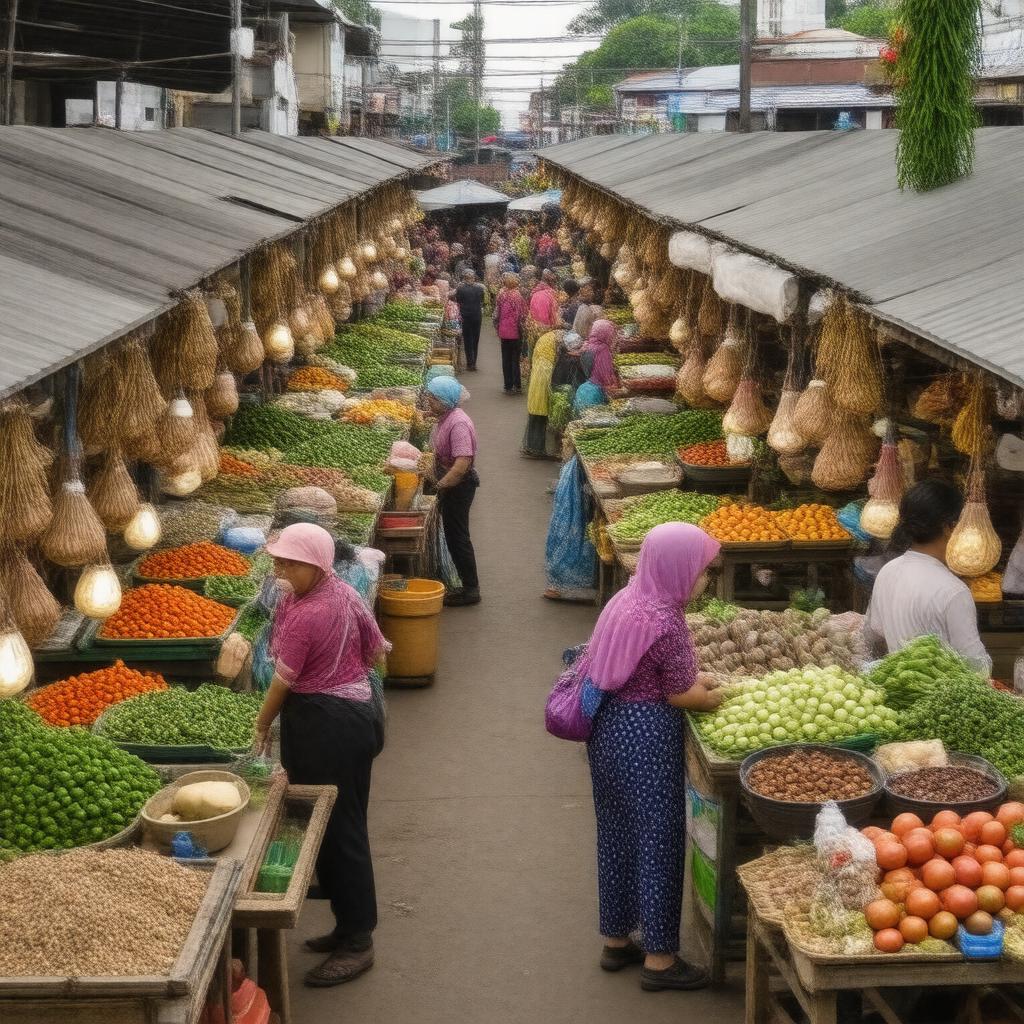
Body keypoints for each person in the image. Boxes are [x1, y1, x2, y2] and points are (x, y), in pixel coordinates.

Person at [579, 522, 723, 991]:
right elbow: (681, 694)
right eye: (701, 570)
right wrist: (716, 695)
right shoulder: (667, 619)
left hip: (607, 729)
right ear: (678, 569)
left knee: (617, 832)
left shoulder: (626, 599)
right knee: (659, 838)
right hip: (646, 735)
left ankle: (616, 940)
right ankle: (660, 959)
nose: (705, 579)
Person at [254, 523, 388, 987]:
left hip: (331, 725)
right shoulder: (334, 592)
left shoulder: (312, 612)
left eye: (291, 563)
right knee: (329, 824)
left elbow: (282, 681)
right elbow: (372, 654)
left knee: (340, 829)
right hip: (347, 713)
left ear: (317, 565)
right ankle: (346, 925)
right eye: (279, 562)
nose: (281, 571)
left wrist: (262, 724)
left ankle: (358, 941)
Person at [864, 480, 992, 674]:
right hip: (942, 692)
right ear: (949, 527)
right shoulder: (954, 591)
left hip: (897, 687)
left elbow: (874, 632)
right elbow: (976, 667)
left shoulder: (888, 571)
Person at [425, 376, 480, 606]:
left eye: (433, 399)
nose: (429, 402)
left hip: (459, 486)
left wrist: (439, 486)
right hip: (453, 484)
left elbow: (461, 464)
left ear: (444, 400)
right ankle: (467, 585)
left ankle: (471, 589)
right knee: (453, 535)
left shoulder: (458, 424)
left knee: (458, 537)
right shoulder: (447, 416)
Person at [521, 328, 560, 458]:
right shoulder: (555, 344)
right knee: (542, 417)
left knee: (535, 415)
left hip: (536, 380)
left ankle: (531, 447)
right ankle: (539, 449)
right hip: (545, 382)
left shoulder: (544, 339)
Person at [573, 318, 620, 416]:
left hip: (583, 390)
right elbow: (606, 379)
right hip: (595, 393)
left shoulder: (587, 346)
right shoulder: (602, 349)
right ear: (605, 334)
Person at [494, 272, 527, 395]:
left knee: (506, 358)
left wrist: (497, 327)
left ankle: (508, 386)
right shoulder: (517, 296)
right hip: (515, 332)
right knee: (515, 359)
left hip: (503, 331)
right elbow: (521, 315)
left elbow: (496, 313)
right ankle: (517, 385)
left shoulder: (501, 295)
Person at [454, 269, 486, 372]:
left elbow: (458, 300)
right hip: (477, 316)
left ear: (464, 278)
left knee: (467, 339)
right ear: (473, 278)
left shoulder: (460, 289)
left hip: (465, 316)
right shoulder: (480, 289)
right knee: (475, 339)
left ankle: (469, 363)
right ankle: (474, 363)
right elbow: (482, 301)